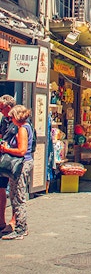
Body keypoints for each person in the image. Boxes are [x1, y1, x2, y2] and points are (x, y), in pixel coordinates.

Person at [0, 105, 34, 240]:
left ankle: (21, 228)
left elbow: (22, 151)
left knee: (18, 196)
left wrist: (6, 149)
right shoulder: (25, 127)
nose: (10, 118)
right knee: (15, 194)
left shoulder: (22, 129)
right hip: (23, 163)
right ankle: (20, 226)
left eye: (12, 116)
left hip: (21, 164)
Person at [0, 95, 17, 234]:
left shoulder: (19, 121)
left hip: (14, 159)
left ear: (9, 107)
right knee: (1, 187)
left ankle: (14, 220)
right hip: (3, 158)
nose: (0, 111)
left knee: (14, 191)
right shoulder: (4, 121)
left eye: (1, 108)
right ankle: (1, 220)